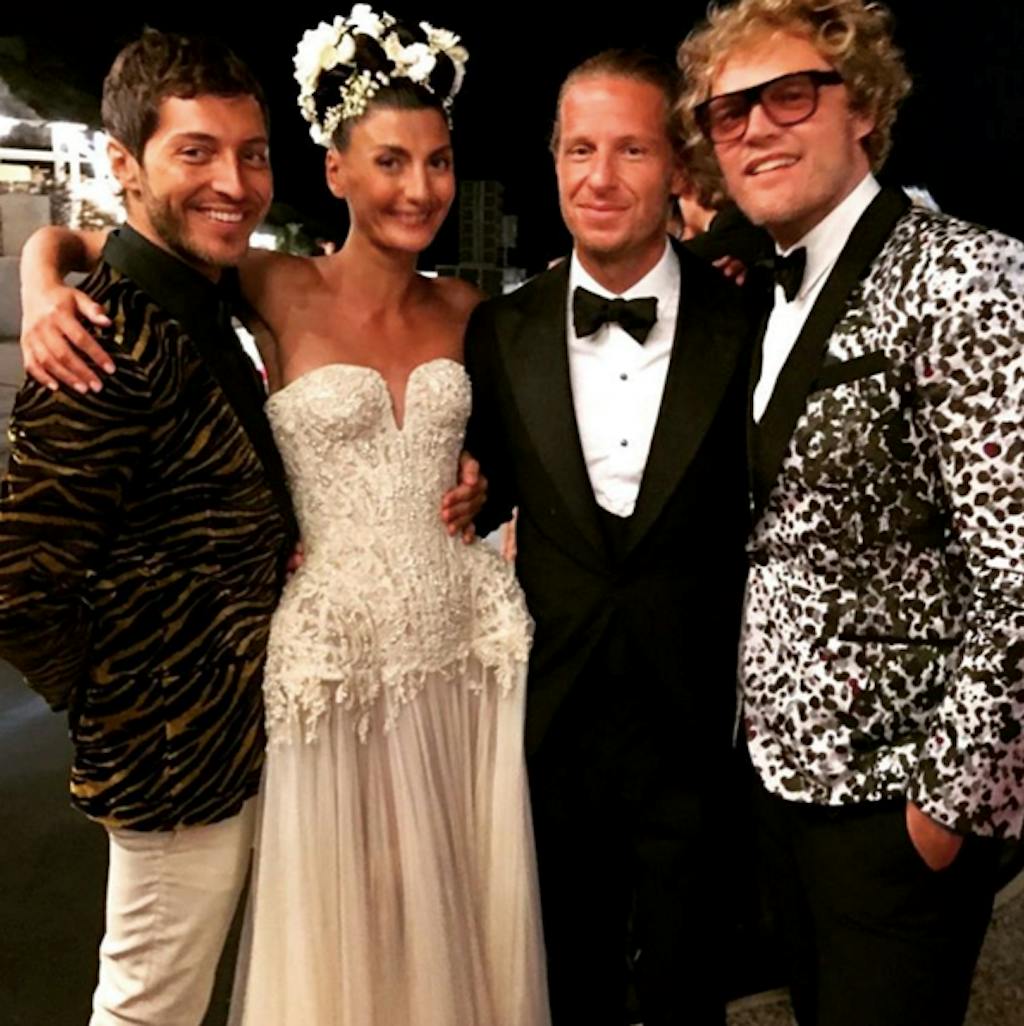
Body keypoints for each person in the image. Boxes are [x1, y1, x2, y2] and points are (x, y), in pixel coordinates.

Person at [13, 12, 535, 1026]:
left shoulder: (471, 310)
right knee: (309, 947)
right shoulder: (268, 281)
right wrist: (39, 279)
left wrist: (480, 483)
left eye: (437, 163)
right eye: (391, 161)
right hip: (318, 670)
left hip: (456, 653)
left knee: (448, 918)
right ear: (335, 171)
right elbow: (98, 243)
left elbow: (517, 440)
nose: (420, 189)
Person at [677, 2, 1024, 1024]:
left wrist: (946, 807)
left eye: (788, 95)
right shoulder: (762, 290)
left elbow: (1016, 569)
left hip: (897, 807)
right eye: (728, 112)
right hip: (780, 790)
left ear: (862, 107)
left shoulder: (967, 273)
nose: (755, 127)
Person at [0, 30, 297, 1026]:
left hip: (232, 742)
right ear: (124, 164)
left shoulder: (200, 303)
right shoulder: (101, 342)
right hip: (172, 761)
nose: (234, 183)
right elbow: (18, 588)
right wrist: (123, 699)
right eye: (196, 152)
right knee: (146, 1008)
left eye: (251, 154)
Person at [464, 49, 759, 1026]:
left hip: (697, 730)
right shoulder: (498, 332)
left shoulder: (747, 321)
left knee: (690, 993)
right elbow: (483, 487)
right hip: (551, 729)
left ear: (675, 166)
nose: (600, 176)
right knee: (566, 986)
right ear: (553, 160)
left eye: (631, 149)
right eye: (580, 149)